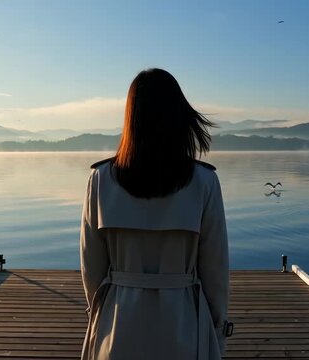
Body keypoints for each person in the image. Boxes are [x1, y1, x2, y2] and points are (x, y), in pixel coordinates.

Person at [80, 68, 230, 360]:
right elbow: (216, 272)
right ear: (180, 118)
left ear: (130, 120)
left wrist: (102, 317)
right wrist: (217, 329)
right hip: (185, 326)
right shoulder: (204, 183)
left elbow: (92, 272)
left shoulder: (100, 181)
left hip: (118, 324)